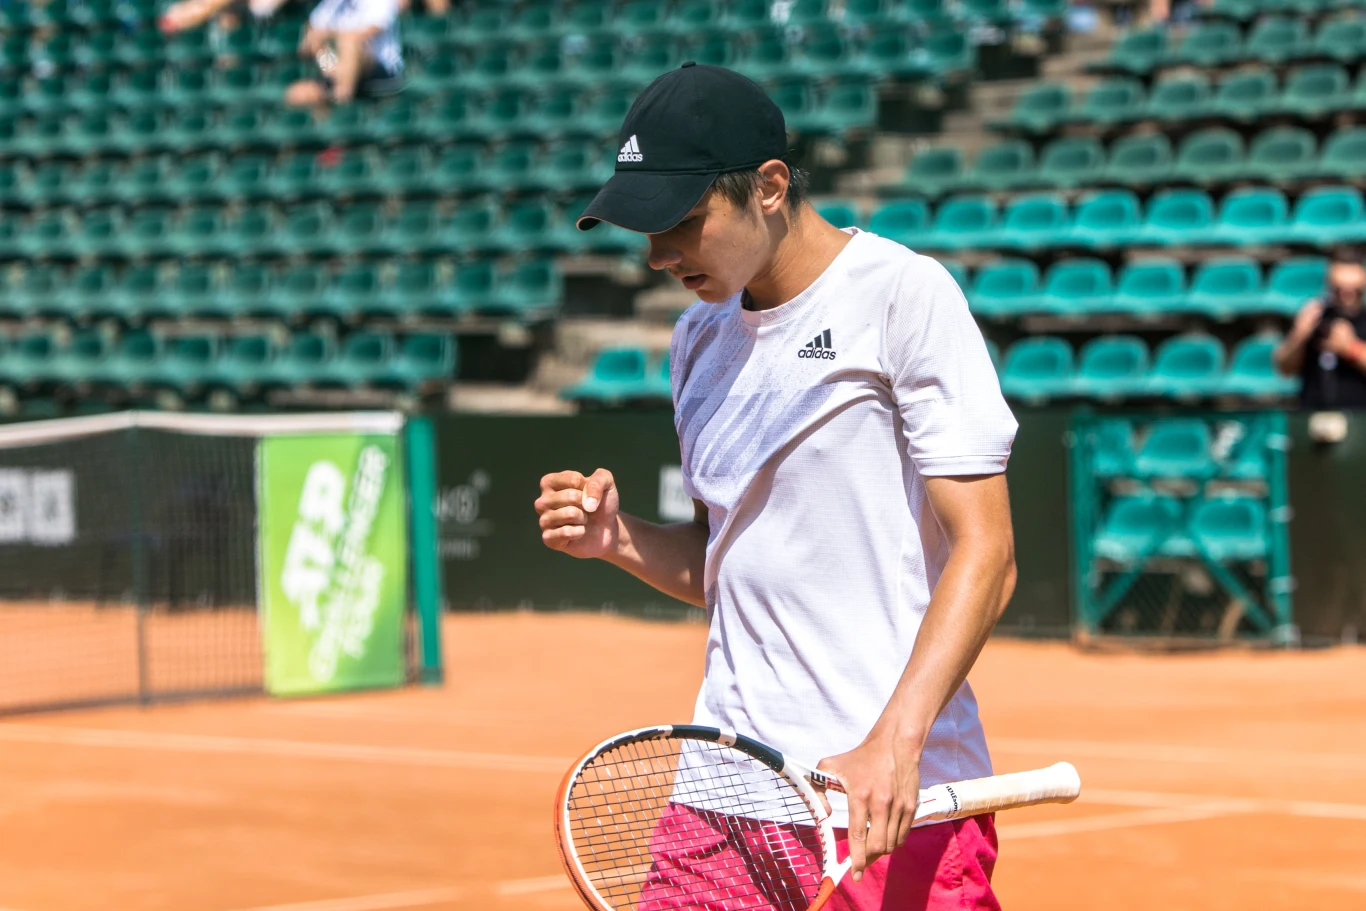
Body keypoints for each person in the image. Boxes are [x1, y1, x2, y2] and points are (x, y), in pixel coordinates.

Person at [533, 63, 1018, 910]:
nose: (656, 255)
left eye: (682, 222)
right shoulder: (697, 340)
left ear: (769, 186)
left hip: (888, 797)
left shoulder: (903, 296)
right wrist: (618, 540)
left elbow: (989, 552)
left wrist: (893, 742)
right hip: (724, 793)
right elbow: (721, 561)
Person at [1274, 247, 1366, 409]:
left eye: (1354, 291)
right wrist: (1300, 334)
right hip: (1313, 417)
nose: (1346, 297)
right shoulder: (1315, 316)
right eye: (1339, 290)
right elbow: (1284, 367)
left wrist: (1350, 348)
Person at [285, 0, 405, 109]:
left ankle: (342, 99)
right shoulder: (333, 3)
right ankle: (325, 124)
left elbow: (369, 31)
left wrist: (330, 34)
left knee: (349, 43)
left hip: (378, 67)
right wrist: (314, 38)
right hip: (334, 67)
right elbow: (311, 34)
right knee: (298, 94)